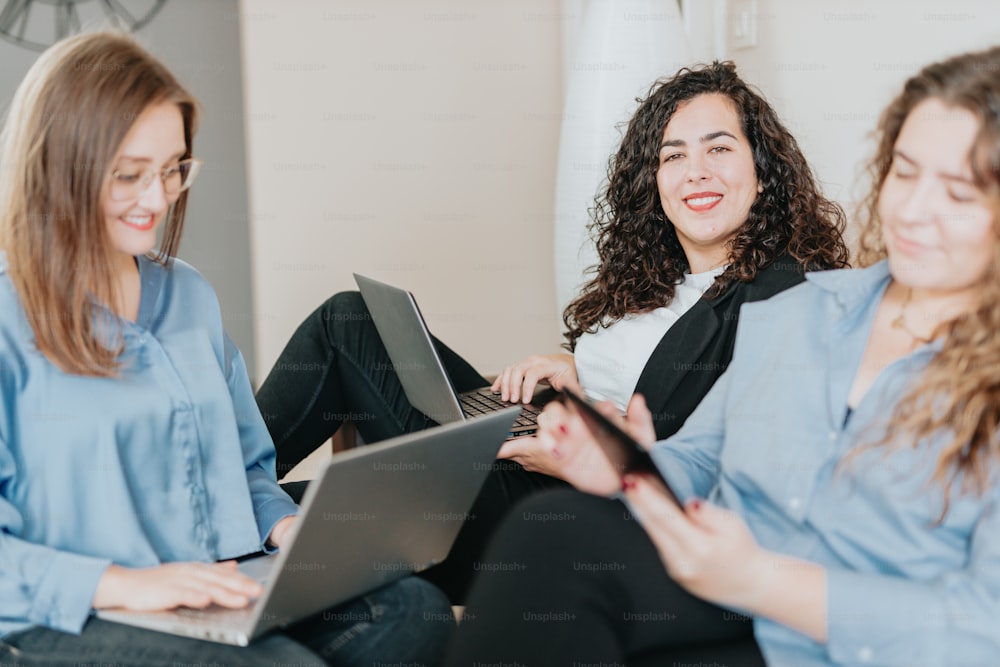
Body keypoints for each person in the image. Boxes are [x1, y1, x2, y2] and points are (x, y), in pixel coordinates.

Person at [444, 45, 1000, 666]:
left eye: (958, 191)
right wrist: (628, 467)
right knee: (551, 532)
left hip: (843, 632)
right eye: (905, 172)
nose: (914, 211)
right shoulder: (812, 307)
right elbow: (704, 451)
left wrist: (760, 580)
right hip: (719, 574)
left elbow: (984, 627)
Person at [256, 61, 850, 602]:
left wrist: (585, 462)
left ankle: (214, 499)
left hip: (567, 508)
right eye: (672, 156)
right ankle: (227, 508)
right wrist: (576, 373)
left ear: (763, 170)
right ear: (654, 181)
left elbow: (733, 467)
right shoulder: (657, 283)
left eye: (718, 148)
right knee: (300, 507)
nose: (695, 172)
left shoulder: (783, 294)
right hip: (534, 448)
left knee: (346, 326)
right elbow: (642, 378)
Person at [0, 31, 452, 667]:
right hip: (69, 613)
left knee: (413, 611)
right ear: (57, 165)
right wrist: (125, 584)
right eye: (129, 174)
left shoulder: (188, 296)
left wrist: (283, 527)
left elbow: (243, 464)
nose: (157, 200)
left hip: (212, 581)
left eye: (172, 169)